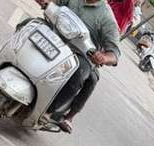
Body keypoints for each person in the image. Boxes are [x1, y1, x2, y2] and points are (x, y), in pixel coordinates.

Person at [34, 0, 120, 133]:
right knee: (28, 24)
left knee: (80, 74)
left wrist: (104, 57)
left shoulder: (107, 18)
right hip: (53, 35)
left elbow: (114, 53)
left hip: (78, 53)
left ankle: (48, 113)